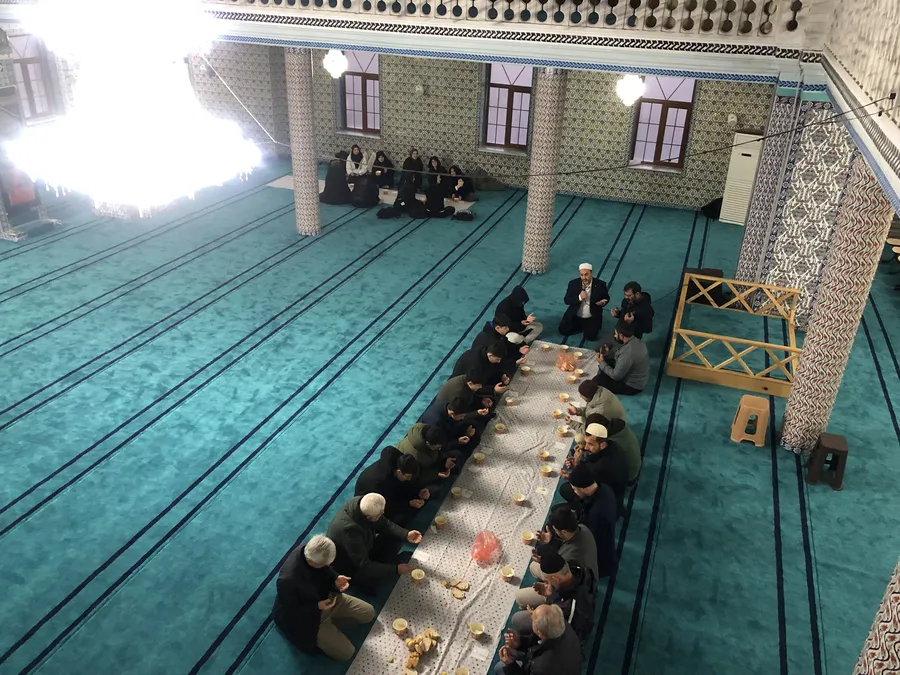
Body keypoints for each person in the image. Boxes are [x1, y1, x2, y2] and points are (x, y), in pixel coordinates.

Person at [272, 534, 373, 662]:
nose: (328, 566)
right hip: (310, 616)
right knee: (347, 653)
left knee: (368, 613)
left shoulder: (311, 550)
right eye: (325, 564)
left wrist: (336, 577)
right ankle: (325, 631)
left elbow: (326, 569)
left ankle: (330, 628)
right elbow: (290, 612)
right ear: (313, 562)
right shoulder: (287, 580)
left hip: (328, 599)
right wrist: (317, 606)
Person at [326, 494, 423, 591]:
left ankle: (389, 564)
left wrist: (406, 534)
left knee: (397, 537)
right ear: (368, 518)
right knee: (375, 582)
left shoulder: (361, 504)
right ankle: (390, 565)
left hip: (365, 546)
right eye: (380, 514)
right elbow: (364, 566)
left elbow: (384, 523)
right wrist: (396, 569)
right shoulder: (349, 533)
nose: (383, 513)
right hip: (351, 565)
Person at [516, 505, 599, 609]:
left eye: (556, 530)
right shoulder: (582, 528)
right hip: (582, 577)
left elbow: (561, 576)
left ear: (564, 531)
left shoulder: (570, 556)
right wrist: (550, 541)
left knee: (519, 597)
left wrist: (550, 592)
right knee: (534, 566)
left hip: (573, 588)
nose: (555, 532)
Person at [509, 551, 596, 646]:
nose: (545, 581)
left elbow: (557, 631)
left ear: (555, 579)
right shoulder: (575, 568)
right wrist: (550, 593)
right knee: (534, 566)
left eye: (547, 579)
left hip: (568, 622)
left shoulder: (568, 608)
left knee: (517, 618)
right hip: (559, 594)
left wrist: (536, 615)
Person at [561, 422, 629, 513]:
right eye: (586, 443)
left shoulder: (600, 466)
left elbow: (585, 484)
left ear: (602, 444)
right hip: (617, 493)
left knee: (565, 489)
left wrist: (576, 465)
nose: (586, 447)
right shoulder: (613, 445)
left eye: (590, 444)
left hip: (606, 504)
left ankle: (580, 510)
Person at [496, 604, 582, 675]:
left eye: (532, 619)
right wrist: (520, 642)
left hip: (552, 667)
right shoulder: (561, 624)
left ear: (539, 632)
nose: (531, 615)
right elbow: (538, 642)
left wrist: (511, 666)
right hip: (565, 663)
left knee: (500, 667)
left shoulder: (541, 667)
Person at [567, 465, 618, 579]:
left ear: (584, 488)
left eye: (575, 489)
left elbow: (590, 539)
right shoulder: (604, 488)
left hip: (599, 552)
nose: (574, 492)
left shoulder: (596, 513)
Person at [354, 447, 430, 524]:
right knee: (402, 518)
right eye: (408, 477)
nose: (409, 479)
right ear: (399, 472)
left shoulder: (401, 463)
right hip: (373, 504)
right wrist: (409, 503)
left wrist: (420, 489)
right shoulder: (381, 482)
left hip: (390, 491)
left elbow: (410, 479)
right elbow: (387, 506)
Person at [594, 321, 650, 395]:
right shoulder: (636, 341)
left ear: (621, 335)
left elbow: (616, 376)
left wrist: (601, 363)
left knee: (598, 380)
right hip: (636, 376)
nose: (614, 336)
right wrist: (608, 354)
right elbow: (621, 354)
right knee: (607, 362)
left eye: (615, 333)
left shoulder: (628, 354)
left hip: (631, 386)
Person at [558, 263, 610, 341]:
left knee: (591, 337)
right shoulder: (573, 284)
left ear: (591, 273)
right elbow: (567, 300)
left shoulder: (600, 285)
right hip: (575, 315)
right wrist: (579, 297)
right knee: (563, 331)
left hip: (591, 316)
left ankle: (586, 327)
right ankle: (582, 326)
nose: (584, 277)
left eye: (586, 275)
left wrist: (603, 303)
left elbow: (606, 298)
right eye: (581, 275)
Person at [588, 413, 641, 485]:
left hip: (628, 478)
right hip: (633, 466)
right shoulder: (618, 428)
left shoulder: (612, 445)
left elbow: (597, 465)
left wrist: (578, 463)